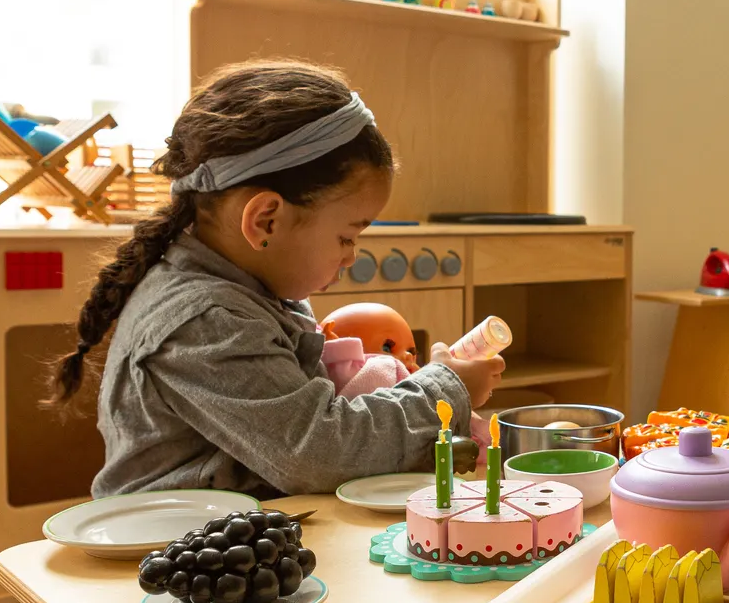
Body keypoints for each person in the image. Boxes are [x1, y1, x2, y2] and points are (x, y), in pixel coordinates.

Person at [46, 60, 503, 499]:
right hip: (177, 556)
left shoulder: (255, 288)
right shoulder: (207, 321)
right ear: (265, 219)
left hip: (240, 541)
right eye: (346, 236)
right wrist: (447, 390)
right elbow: (319, 451)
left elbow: (306, 422)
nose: (351, 257)